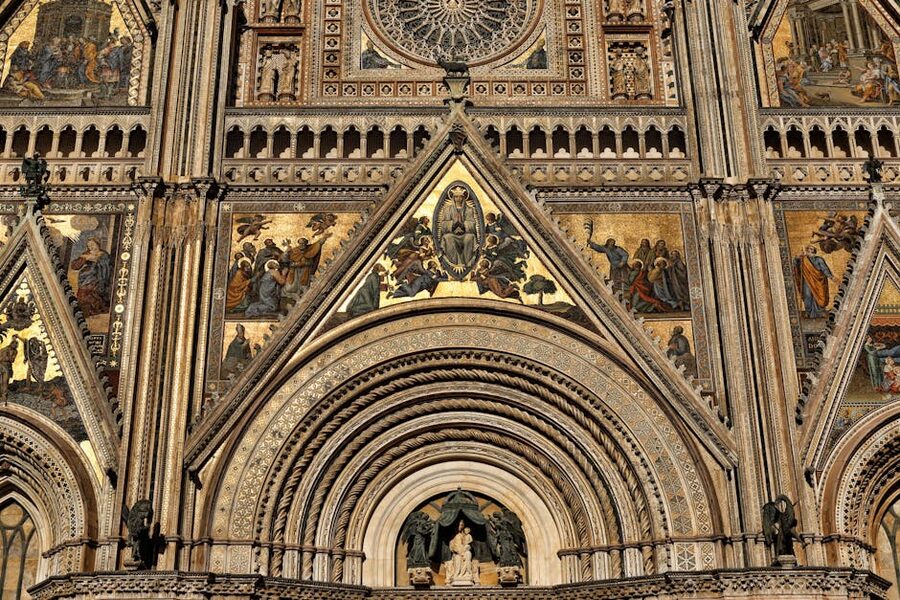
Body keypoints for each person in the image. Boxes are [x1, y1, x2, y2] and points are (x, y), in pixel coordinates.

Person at [70, 237, 112, 317]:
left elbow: (106, 266)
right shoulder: (87, 254)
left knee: (88, 292)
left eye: (92, 245)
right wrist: (84, 258)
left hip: (98, 276)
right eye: (89, 246)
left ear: (97, 244)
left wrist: (96, 260)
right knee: (82, 292)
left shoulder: (103, 254)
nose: (91, 247)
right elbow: (74, 266)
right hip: (85, 277)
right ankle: (86, 312)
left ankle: (94, 310)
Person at [794, 245, 833, 319]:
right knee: (808, 295)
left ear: (814, 251)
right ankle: (808, 312)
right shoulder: (803, 259)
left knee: (820, 296)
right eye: (808, 249)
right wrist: (797, 258)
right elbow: (795, 264)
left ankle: (821, 312)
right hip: (808, 281)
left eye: (811, 249)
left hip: (819, 281)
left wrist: (831, 276)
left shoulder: (819, 259)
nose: (809, 250)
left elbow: (825, 269)